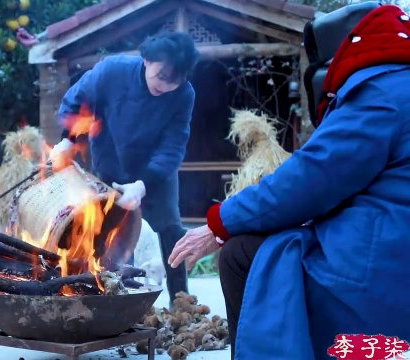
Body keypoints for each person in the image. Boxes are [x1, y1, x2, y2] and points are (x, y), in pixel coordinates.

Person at [168, 3, 410, 359]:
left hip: (386, 261)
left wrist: (219, 224)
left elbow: (311, 180)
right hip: (395, 238)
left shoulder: (380, 93)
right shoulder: (398, 83)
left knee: (240, 253)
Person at [50, 31, 200, 303]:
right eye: (161, 77)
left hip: (155, 174)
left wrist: (143, 185)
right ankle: (118, 298)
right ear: (145, 59)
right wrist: (66, 140)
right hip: (112, 165)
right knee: (111, 232)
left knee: (170, 229)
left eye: (174, 81)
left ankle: (181, 299)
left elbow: (174, 144)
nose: (165, 87)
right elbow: (77, 100)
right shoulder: (112, 71)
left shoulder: (184, 95)